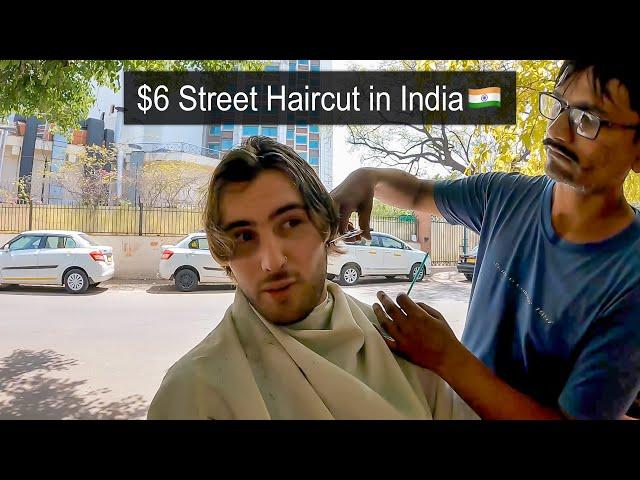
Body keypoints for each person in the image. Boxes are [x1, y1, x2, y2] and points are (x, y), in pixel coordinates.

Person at [331, 60, 640, 420]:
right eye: (558, 105)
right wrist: (365, 177)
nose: (555, 130)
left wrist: (446, 357)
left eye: (586, 120)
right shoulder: (504, 195)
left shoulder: (632, 278)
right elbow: (417, 194)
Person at [147, 136, 477, 420]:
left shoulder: (409, 347)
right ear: (225, 257)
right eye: (245, 237)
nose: (272, 261)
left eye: (290, 224)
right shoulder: (193, 393)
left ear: (326, 228)